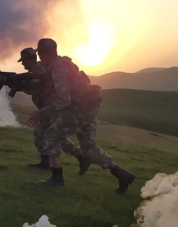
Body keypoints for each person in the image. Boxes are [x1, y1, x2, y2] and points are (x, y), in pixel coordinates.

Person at [26, 38, 136, 193]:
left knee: (51, 134)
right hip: (89, 108)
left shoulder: (58, 69)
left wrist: (41, 113)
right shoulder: (65, 64)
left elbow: (64, 100)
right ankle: (122, 174)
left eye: (41, 54)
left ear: (43, 53)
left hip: (79, 110)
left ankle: (57, 178)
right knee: (89, 148)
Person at [16, 47, 90, 173]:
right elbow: (33, 89)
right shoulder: (36, 70)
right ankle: (45, 162)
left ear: (30, 59)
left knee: (55, 136)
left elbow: (36, 89)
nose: (22, 63)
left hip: (53, 107)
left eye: (24, 60)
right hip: (48, 108)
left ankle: (80, 157)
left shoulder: (40, 70)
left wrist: (20, 85)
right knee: (40, 132)